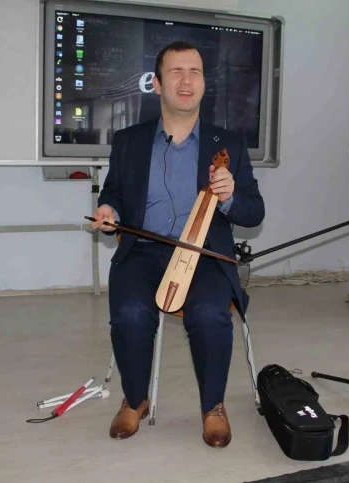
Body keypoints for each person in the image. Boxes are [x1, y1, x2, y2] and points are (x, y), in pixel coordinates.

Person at [90, 41, 265, 448]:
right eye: (176, 72)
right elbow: (114, 192)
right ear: (156, 83)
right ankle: (136, 399)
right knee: (131, 312)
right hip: (142, 250)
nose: (186, 81)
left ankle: (213, 406)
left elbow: (254, 212)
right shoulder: (129, 140)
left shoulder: (230, 144)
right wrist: (109, 210)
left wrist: (230, 198)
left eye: (195, 72)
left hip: (203, 254)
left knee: (209, 314)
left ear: (204, 83)